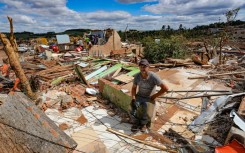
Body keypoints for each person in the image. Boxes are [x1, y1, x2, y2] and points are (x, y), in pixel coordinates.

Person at [130, 59, 168, 132]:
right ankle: (136, 122)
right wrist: (133, 98)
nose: (142, 68)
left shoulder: (153, 76)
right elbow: (134, 88)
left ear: (148, 67)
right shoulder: (137, 76)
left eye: (144, 66)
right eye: (141, 66)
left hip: (149, 97)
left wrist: (154, 96)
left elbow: (165, 88)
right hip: (140, 96)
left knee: (146, 109)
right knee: (132, 107)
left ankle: (144, 124)